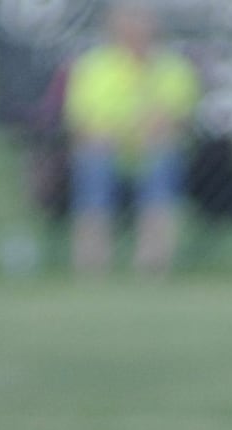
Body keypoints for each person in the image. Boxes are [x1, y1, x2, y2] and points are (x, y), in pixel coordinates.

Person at [62, 3, 201, 275]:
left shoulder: (173, 68)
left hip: (153, 154)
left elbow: (181, 120)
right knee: (93, 163)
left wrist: (159, 128)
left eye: (142, 23)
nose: (136, 31)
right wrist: (103, 136)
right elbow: (79, 123)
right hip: (105, 153)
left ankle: (152, 262)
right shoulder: (93, 68)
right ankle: (92, 262)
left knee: (162, 158)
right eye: (129, 23)